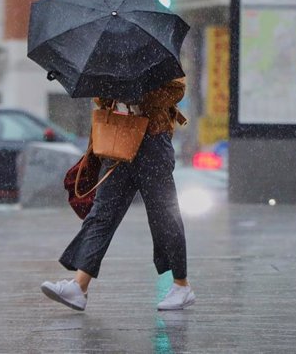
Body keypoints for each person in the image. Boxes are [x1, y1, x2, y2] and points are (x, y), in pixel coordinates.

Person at [40, 77, 195, 311]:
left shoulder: (156, 54)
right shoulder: (111, 58)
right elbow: (101, 99)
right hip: (119, 138)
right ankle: (79, 287)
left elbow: (176, 91)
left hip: (153, 142)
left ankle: (182, 285)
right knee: (102, 213)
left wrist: (138, 94)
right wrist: (109, 89)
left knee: (164, 216)